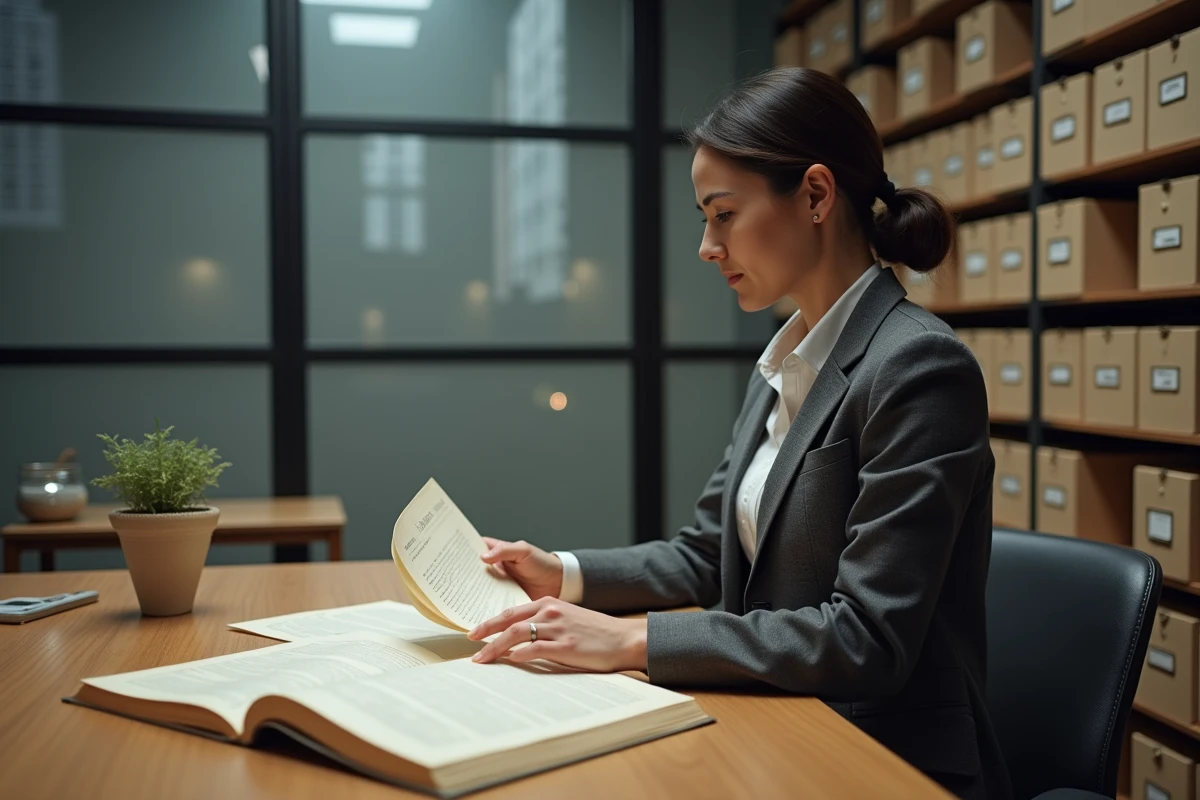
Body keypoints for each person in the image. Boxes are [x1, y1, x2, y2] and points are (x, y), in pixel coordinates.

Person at [466, 67, 1012, 800]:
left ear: (815, 195)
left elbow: (867, 638)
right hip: (780, 725)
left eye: (722, 214)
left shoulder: (918, 365)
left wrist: (633, 641)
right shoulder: (786, 359)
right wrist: (559, 573)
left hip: (885, 757)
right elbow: (703, 558)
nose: (706, 245)